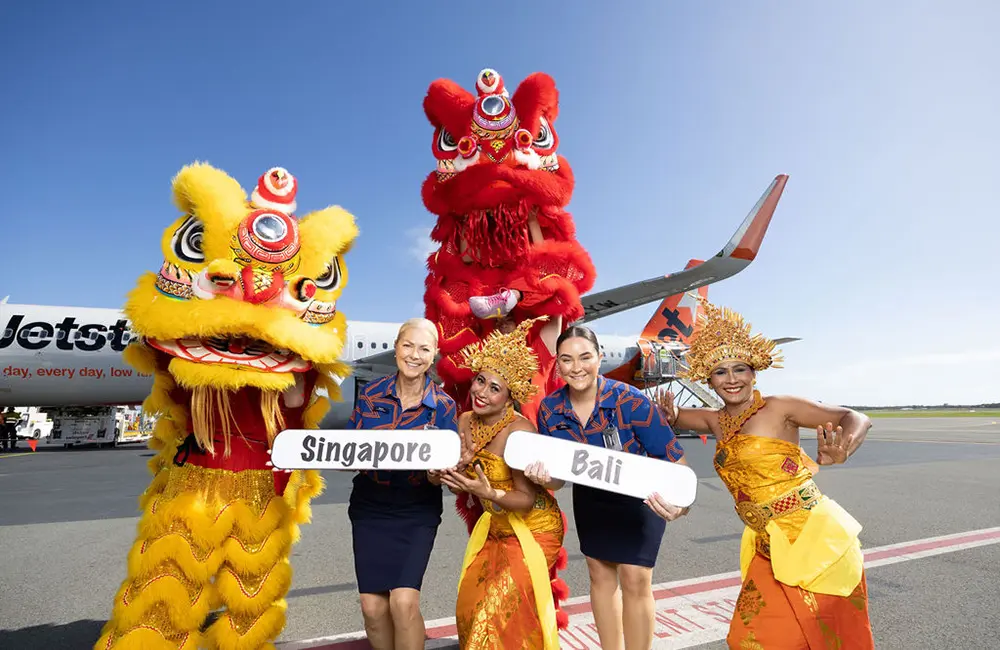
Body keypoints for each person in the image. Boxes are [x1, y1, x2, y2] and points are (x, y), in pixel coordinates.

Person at [655, 298, 875, 649]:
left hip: (813, 539)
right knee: (750, 639)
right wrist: (667, 414)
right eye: (720, 371)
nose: (731, 379)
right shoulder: (717, 420)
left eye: (739, 369)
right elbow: (674, 416)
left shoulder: (779, 408)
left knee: (826, 641)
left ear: (754, 372)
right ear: (709, 379)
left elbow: (855, 417)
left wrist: (844, 446)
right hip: (766, 545)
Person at [523, 325, 689, 650]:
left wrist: (680, 504)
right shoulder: (550, 410)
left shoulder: (632, 400)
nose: (577, 367)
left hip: (641, 499)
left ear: (600, 358)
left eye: (585, 357)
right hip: (592, 500)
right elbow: (559, 477)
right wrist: (544, 477)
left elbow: (675, 462)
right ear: (557, 364)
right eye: (567, 360)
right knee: (599, 576)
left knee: (635, 578)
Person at [436, 317, 570, 649]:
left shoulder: (519, 432)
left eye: (495, 388)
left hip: (535, 529)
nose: (481, 392)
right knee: (470, 608)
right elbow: (460, 487)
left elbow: (525, 498)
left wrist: (489, 492)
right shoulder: (465, 420)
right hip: (496, 527)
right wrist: (453, 474)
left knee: (497, 615)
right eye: (481, 381)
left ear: (510, 397)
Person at [346, 317, 459, 650]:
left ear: (434, 354)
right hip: (370, 505)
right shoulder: (370, 395)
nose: (414, 355)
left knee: (403, 603)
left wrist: (438, 475)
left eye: (424, 349)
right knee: (372, 606)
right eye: (408, 345)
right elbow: (349, 448)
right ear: (396, 348)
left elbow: (446, 472)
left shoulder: (444, 407)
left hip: (416, 508)